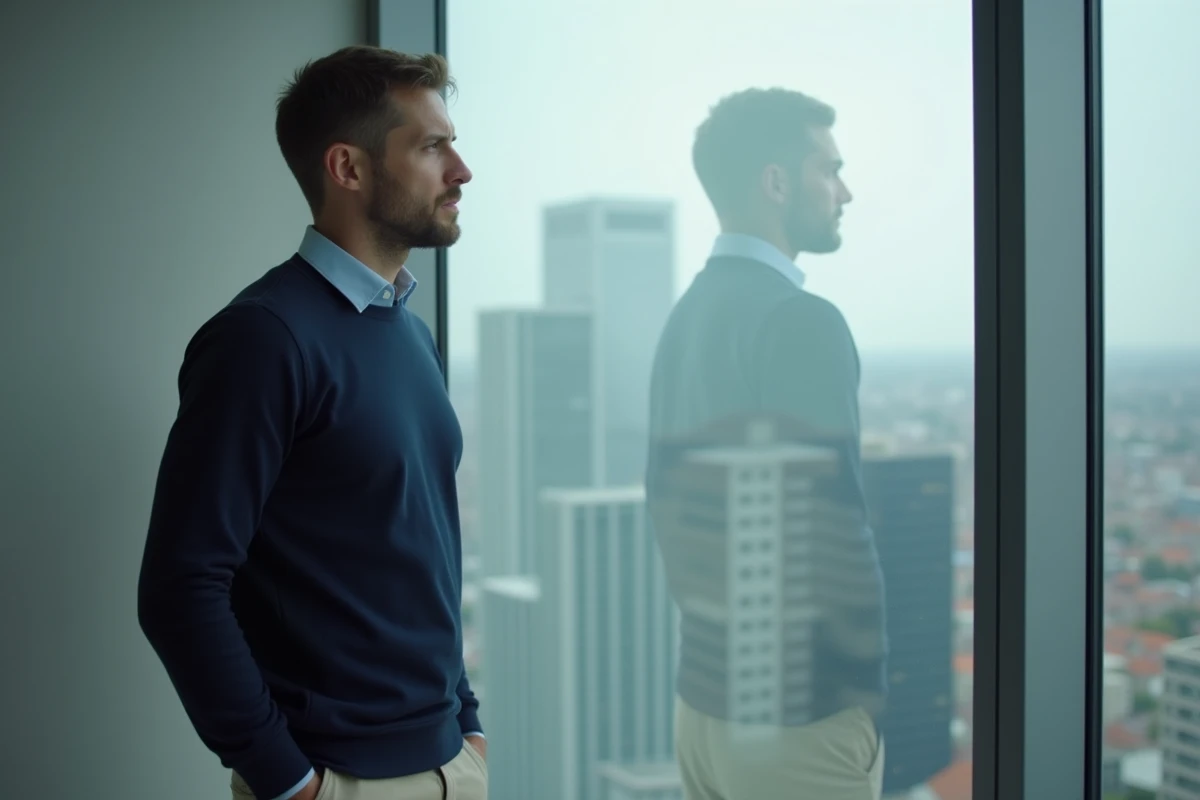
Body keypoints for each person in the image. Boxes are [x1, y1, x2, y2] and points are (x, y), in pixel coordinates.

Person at [137, 46, 486, 800]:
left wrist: (466, 721)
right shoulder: (262, 339)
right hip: (340, 782)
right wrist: (290, 781)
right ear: (348, 169)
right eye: (432, 147)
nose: (461, 170)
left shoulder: (408, 332)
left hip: (450, 764)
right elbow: (181, 586)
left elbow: (416, 547)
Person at [645, 88, 888, 799]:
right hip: (800, 721)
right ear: (776, 183)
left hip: (704, 707)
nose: (845, 191)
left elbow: (668, 509)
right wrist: (857, 700)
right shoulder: (801, 320)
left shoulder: (686, 318)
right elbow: (833, 531)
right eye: (829, 169)